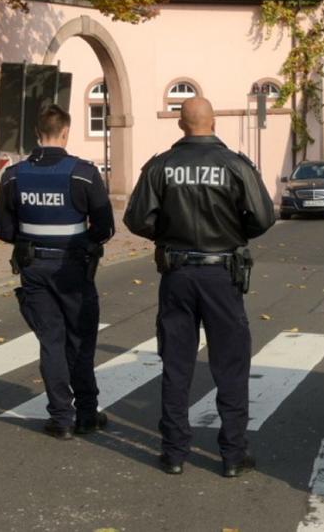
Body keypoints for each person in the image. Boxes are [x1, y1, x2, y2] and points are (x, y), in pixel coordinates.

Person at [123, 96, 276, 477]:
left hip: (177, 274)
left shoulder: (161, 166)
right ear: (214, 121)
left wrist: (167, 236)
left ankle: (174, 452)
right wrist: (233, 233)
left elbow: (137, 218)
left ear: (181, 124)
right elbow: (263, 217)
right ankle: (232, 455)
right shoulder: (236, 165)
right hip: (222, 273)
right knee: (231, 364)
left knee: (177, 362)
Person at [0, 104, 115, 440]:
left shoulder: (14, 175)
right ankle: (88, 414)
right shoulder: (83, 173)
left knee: (51, 341)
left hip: (34, 267)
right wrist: (84, 242)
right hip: (74, 269)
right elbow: (105, 226)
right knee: (81, 341)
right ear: (66, 133)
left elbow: (4, 231)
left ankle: (61, 418)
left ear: (37, 134)